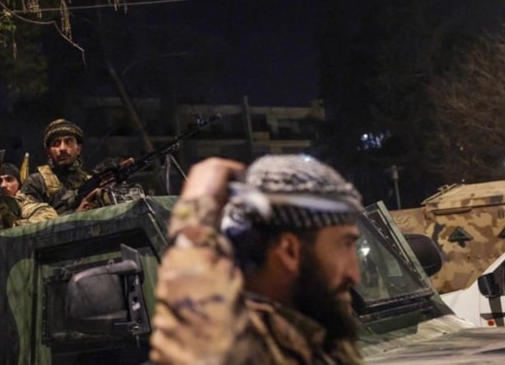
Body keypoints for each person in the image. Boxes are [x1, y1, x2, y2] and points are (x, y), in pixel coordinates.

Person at [149, 155, 365, 365]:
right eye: (344, 245)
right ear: (289, 250)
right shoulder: (242, 349)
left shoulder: (321, 341)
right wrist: (195, 217)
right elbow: (196, 345)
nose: (354, 275)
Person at [19, 119, 95, 214]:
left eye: (68, 142)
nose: (62, 148)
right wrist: (76, 214)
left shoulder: (89, 181)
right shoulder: (36, 182)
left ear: (78, 149)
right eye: (56, 143)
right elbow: (34, 219)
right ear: (48, 152)